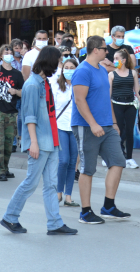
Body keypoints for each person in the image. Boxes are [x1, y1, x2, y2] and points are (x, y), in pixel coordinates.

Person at [1, 46, 78, 236]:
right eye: (58, 62)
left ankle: (54, 223)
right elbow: (29, 117)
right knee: (31, 182)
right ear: (49, 62)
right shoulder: (33, 85)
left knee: (51, 184)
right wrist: (33, 142)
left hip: (51, 141)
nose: (60, 66)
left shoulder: (43, 82)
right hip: (40, 142)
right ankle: (10, 217)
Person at [72, 35, 130, 224]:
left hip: (107, 125)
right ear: (96, 50)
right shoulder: (82, 71)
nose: (108, 52)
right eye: (105, 49)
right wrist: (93, 124)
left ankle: (108, 206)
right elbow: (80, 100)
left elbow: (106, 99)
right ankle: (85, 212)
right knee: (87, 169)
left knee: (118, 162)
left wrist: (113, 123)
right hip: (87, 126)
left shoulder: (102, 70)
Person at [0, 45, 24, 181]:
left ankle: (5, 168)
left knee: (8, 143)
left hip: (12, 112)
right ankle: (0, 170)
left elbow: (22, 92)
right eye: (5, 52)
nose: (8, 54)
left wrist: (15, 92)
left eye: (10, 52)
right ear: (0, 55)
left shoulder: (17, 74)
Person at [52, 57, 80, 207]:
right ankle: (58, 192)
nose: (69, 70)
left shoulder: (80, 85)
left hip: (75, 127)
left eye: (72, 67)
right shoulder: (56, 85)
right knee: (63, 160)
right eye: (66, 67)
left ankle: (68, 196)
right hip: (60, 126)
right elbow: (51, 108)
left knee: (72, 163)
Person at [108, 48, 140, 169]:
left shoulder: (133, 73)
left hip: (130, 105)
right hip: (116, 104)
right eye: (114, 59)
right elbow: (108, 94)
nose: (114, 61)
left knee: (130, 131)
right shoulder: (111, 74)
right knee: (118, 131)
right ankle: (119, 154)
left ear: (124, 60)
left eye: (117, 58)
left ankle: (130, 157)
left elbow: (137, 90)